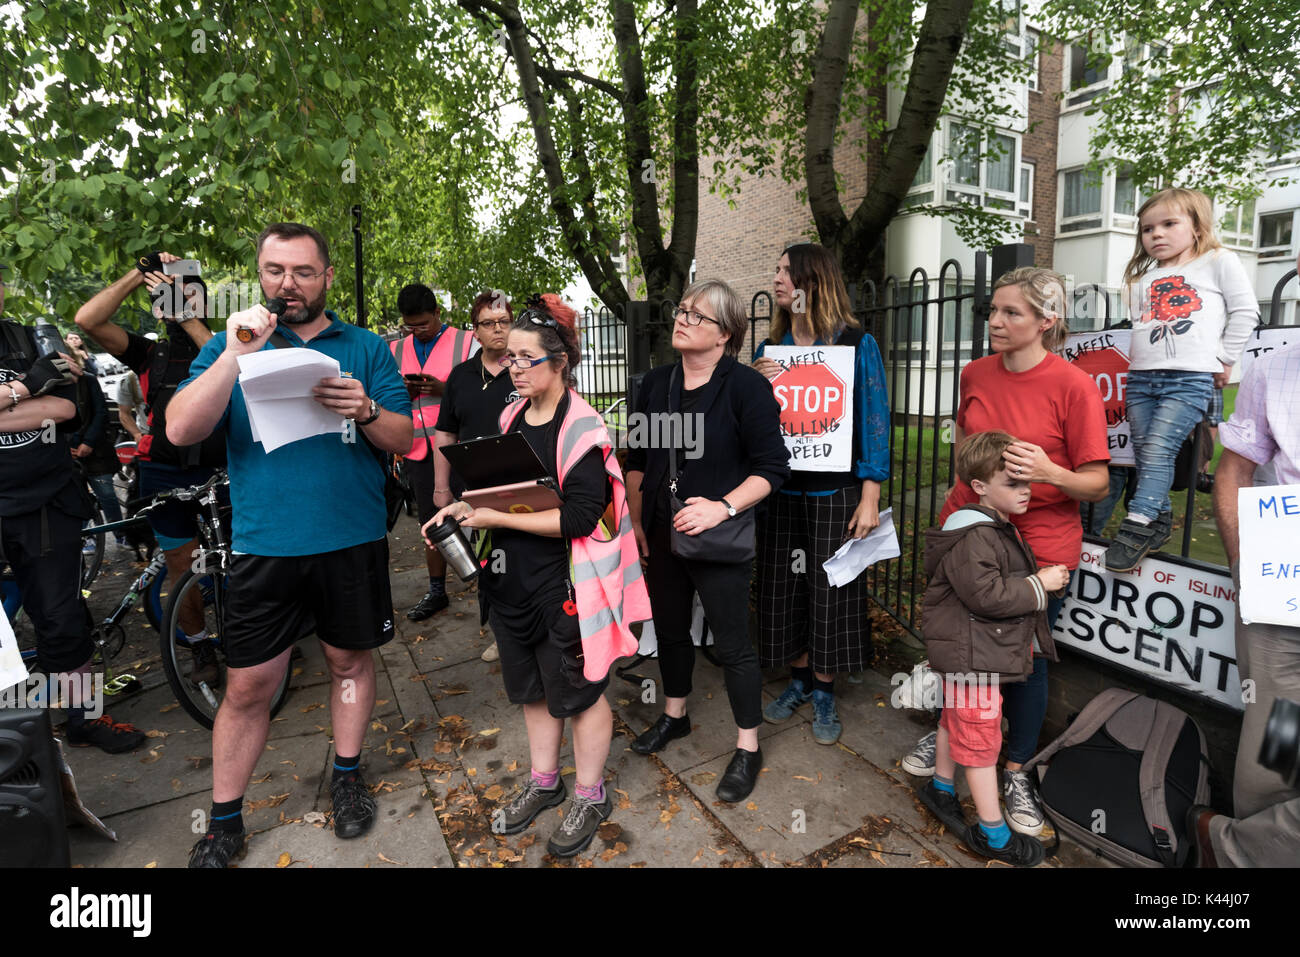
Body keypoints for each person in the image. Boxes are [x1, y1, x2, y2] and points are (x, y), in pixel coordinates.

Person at [165, 222, 412, 868]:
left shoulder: (365, 348)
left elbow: (405, 439)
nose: (288, 284)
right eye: (275, 270)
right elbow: (180, 427)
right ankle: (224, 822)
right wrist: (233, 355)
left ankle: (348, 777)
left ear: (327, 276)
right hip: (264, 544)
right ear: (260, 275)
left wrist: (364, 409)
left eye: (303, 271)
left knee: (349, 664)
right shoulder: (232, 342)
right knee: (249, 685)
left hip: (350, 537)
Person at [425, 294, 649, 858]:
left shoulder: (585, 430)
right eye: (511, 358)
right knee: (530, 690)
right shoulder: (512, 415)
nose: (513, 369)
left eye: (526, 359)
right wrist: (459, 507)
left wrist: (495, 516)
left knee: (579, 691)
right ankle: (546, 783)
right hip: (510, 582)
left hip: (565, 587)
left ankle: (591, 794)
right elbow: (499, 490)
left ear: (560, 362)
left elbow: (579, 516)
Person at [900, 267, 1110, 837]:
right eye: (993, 310)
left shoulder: (1073, 386)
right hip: (968, 532)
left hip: (1036, 547)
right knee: (961, 644)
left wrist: (1048, 471)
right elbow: (969, 454)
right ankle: (958, 731)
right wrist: (960, 502)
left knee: (1026, 658)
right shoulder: (975, 373)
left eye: (1011, 313)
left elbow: (1096, 484)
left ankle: (1014, 768)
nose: (995, 321)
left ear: (1047, 321)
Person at [624, 279, 789, 803]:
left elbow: (772, 469)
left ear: (726, 336)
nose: (682, 319)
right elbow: (637, 460)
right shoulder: (654, 385)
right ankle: (675, 716)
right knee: (670, 632)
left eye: (697, 316)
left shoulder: (746, 388)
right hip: (660, 530)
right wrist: (636, 523)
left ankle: (747, 746)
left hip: (719, 538)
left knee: (734, 644)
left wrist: (722, 507)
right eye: (682, 310)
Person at [750, 243, 890, 745]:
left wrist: (870, 494)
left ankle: (826, 692)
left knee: (831, 589)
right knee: (783, 589)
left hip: (837, 491)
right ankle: (799, 681)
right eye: (778, 268)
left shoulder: (856, 343)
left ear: (812, 280)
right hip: (781, 491)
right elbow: (754, 428)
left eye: (787, 270)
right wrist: (753, 385)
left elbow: (876, 420)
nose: (778, 278)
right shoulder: (770, 351)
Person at [0, 275, 144, 753]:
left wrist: (29, 397)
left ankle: (85, 717)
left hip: (47, 503)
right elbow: (42, 398)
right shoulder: (27, 363)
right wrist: (25, 390)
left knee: (62, 618)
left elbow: (65, 407)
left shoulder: (24, 337)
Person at [75, 251, 227, 685]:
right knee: (185, 564)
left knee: (247, 557)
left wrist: (186, 311)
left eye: (184, 295)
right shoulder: (149, 353)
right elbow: (87, 319)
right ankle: (200, 645)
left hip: (225, 468)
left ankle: (263, 636)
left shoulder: (228, 340)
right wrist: (137, 275)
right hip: (165, 472)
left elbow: (220, 358)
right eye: (166, 298)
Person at [918, 430, 1069, 866]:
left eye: (1026, 482)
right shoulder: (977, 535)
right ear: (981, 487)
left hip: (974, 653)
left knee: (955, 720)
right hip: (974, 658)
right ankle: (993, 833)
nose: (1026, 491)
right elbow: (987, 596)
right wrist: (1039, 585)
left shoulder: (991, 527)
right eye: (1013, 484)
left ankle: (941, 786)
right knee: (981, 741)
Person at [1191, 306, 1300, 866]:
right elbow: (1233, 470)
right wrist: (1245, 564)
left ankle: (1229, 845)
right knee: (1281, 739)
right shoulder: (1274, 370)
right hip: (1285, 598)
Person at [1103, 187, 1257, 571]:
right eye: (1147, 229)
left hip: (1187, 380)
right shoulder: (1146, 277)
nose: (1156, 234)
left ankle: (1136, 525)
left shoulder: (1217, 260)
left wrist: (1224, 359)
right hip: (1140, 379)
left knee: (1158, 450)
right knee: (1144, 454)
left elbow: (1245, 311)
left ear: (1197, 225)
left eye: (1169, 224)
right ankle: (1157, 523)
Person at [432, 289, 518, 663]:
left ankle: (532, 630)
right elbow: (446, 433)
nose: (497, 329)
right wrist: (440, 488)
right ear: (475, 331)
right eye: (489, 323)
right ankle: (501, 633)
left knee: (527, 561)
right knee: (489, 565)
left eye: (504, 321)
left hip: (525, 487)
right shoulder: (461, 377)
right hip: (475, 493)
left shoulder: (527, 369)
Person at [390, 283, 478, 622]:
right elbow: (388, 398)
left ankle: (491, 578)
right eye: (410, 326)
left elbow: (481, 389)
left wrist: (445, 390)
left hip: (463, 446)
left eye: (423, 324)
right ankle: (437, 590)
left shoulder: (466, 342)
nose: (417, 332)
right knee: (432, 521)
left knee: (481, 513)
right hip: (419, 450)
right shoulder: (396, 350)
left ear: (437, 314)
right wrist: (406, 392)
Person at [66, 359, 126, 545]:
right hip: (67, 452)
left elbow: (101, 413)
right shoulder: (44, 385)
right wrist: (61, 447)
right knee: (77, 497)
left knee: (106, 494)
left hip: (97, 451)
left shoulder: (88, 380)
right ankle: (86, 536)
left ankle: (119, 533)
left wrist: (89, 442)